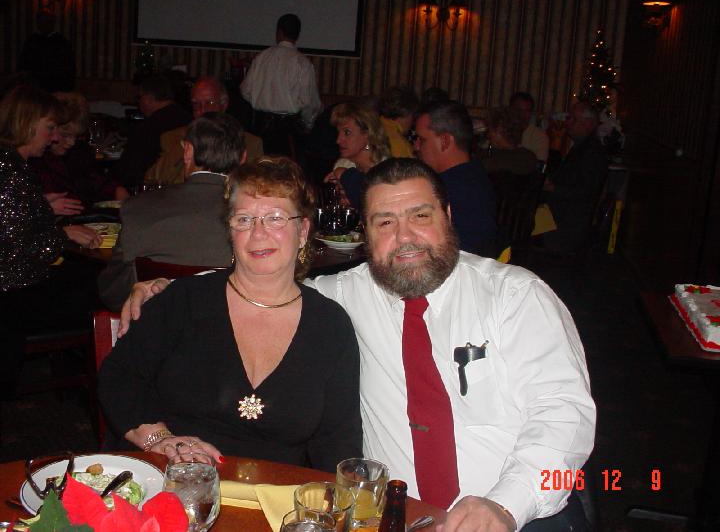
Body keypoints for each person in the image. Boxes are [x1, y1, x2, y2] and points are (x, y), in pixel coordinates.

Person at [121, 158, 595, 531]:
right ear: (364, 235)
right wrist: (167, 288)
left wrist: (506, 505)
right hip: (397, 517)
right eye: (384, 222)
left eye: (420, 216)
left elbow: (565, 415)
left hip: (521, 515)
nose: (404, 237)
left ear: (448, 217)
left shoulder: (515, 296)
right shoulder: (342, 296)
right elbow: (261, 278)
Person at [98, 156, 361, 472]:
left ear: (302, 230)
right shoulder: (183, 301)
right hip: (177, 480)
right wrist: (160, 440)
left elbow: (337, 441)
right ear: (230, 231)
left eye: (275, 218)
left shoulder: (330, 325)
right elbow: (119, 376)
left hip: (275, 495)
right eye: (244, 219)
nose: (258, 233)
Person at [0, 85, 101, 393]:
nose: (55, 137)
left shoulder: (11, 163)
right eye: (51, 128)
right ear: (27, 124)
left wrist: (43, 206)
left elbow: (13, 219)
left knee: (86, 277)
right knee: (103, 288)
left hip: (16, 288)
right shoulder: (11, 170)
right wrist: (63, 234)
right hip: (14, 295)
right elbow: (16, 250)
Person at [97, 112, 246, 311]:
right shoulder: (257, 216)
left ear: (188, 151)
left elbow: (113, 294)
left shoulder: (138, 208)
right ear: (243, 158)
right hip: (233, 324)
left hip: (157, 326)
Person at [144, 77, 263, 186]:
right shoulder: (174, 138)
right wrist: (187, 145)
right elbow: (152, 180)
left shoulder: (250, 143)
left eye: (209, 103)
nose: (202, 110)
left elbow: (256, 187)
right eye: (196, 104)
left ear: (224, 104)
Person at [414, 100, 497, 255]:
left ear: (445, 141)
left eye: (422, 139)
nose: (416, 146)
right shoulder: (473, 175)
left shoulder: (451, 190)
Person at [29, 92, 129, 213]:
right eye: (65, 135)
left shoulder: (79, 151)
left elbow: (97, 180)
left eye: (76, 136)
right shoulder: (34, 159)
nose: (72, 142)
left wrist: (117, 189)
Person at [240, 13, 322, 155]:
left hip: (260, 128)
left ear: (279, 32)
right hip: (288, 133)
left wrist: (261, 99)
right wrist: (308, 124)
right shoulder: (303, 63)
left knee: (259, 165)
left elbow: (245, 90)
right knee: (286, 167)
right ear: (297, 35)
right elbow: (309, 103)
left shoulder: (262, 57)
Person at [539, 102, 608, 253]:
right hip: (559, 215)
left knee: (524, 218)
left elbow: (586, 192)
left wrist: (553, 188)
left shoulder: (592, 152)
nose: (568, 122)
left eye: (573, 119)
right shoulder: (581, 147)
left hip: (567, 223)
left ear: (588, 124)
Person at [116, 74, 192, 190]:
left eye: (139, 97)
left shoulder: (148, 128)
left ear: (149, 99)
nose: (138, 102)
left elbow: (128, 171)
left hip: (153, 190)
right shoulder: (190, 120)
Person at [323, 101, 391, 209]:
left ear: (368, 134)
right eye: (338, 133)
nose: (338, 140)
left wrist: (344, 175)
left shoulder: (386, 170)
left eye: (347, 133)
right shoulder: (344, 164)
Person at [18, 9, 75, 93]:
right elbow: (23, 65)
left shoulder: (61, 42)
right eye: (41, 22)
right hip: (34, 88)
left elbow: (68, 68)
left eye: (47, 21)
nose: (43, 25)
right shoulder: (31, 41)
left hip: (56, 88)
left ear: (53, 23)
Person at [482, 107, 538, 180]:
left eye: (490, 130)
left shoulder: (524, 159)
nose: (488, 135)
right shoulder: (529, 157)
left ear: (499, 130)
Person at [378, 86, 420, 158]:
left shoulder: (373, 125)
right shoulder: (399, 143)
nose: (412, 122)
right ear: (407, 113)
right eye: (413, 115)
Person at [509, 92, 549, 163]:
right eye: (518, 110)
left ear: (531, 113)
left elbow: (539, 165)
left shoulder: (539, 137)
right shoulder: (499, 131)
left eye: (526, 111)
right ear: (510, 109)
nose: (521, 114)